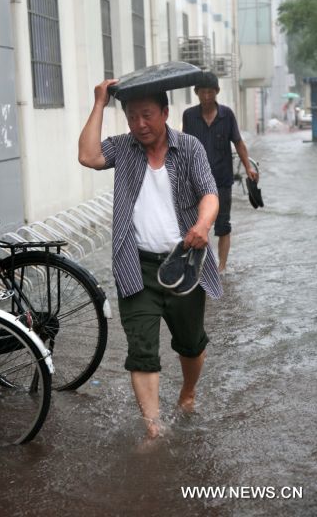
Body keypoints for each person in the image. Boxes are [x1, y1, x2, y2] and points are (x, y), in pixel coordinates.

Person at [78, 79, 223, 442]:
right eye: (131, 117)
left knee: (191, 343)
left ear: (165, 113)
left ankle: (187, 394)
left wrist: (204, 224)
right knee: (141, 348)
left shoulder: (189, 148)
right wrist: (99, 102)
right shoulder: (123, 149)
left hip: (184, 265)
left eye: (146, 115)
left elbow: (210, 193)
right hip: (136, 265)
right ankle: (154, 428)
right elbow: (88, 156)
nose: (139, 124)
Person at [182, 72, 258, 273]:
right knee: (197, 224)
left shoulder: (227, 115)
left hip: (222, 180)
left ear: (216, 92)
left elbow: (238, 143)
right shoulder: (189, 116)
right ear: (196, 93)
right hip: (196, 181)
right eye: (202, 92)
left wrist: (248, 167)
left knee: (223, 223)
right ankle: (199, 266)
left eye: (210, 92)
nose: (206, 96)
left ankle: (221, 268)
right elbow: (184, 148)